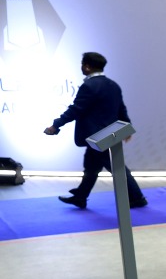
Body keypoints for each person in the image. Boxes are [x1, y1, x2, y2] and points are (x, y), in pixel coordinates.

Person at [44, 51, 147, 209]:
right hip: (110, 133)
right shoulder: (113, 85)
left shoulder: (89, 86)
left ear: (87, 66)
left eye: (82, 64)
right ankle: (80, 197)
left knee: (116, 168)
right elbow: (121, 109)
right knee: (91, 167)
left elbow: (75, 110)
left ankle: (137, 198)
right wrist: (127, 128)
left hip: (96, 136)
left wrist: (56, 125)